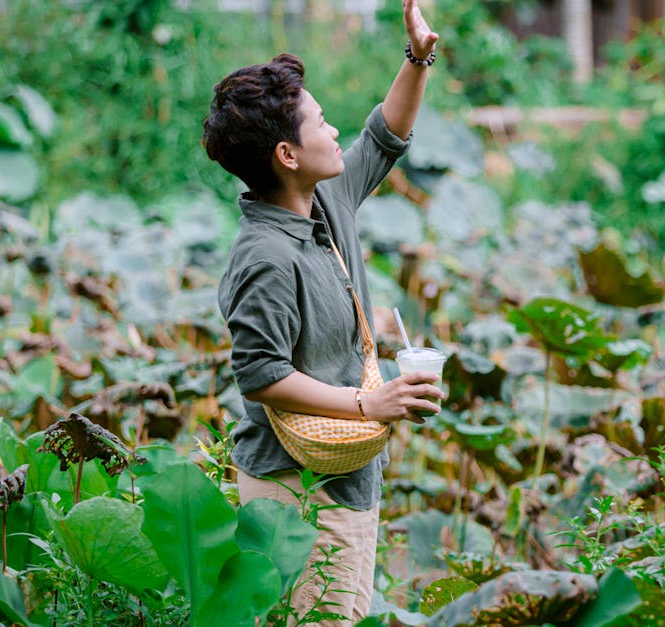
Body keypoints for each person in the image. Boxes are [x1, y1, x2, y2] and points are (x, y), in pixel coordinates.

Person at [202, 1, 442, 624]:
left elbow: (384, 135)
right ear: (287, 154)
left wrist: (418, 57)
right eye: (320, 122)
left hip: (346, 472)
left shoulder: (321, 200)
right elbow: (258, 372)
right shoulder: (265, 257)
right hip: (295, 493)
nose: (335, 132)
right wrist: (370, 403)